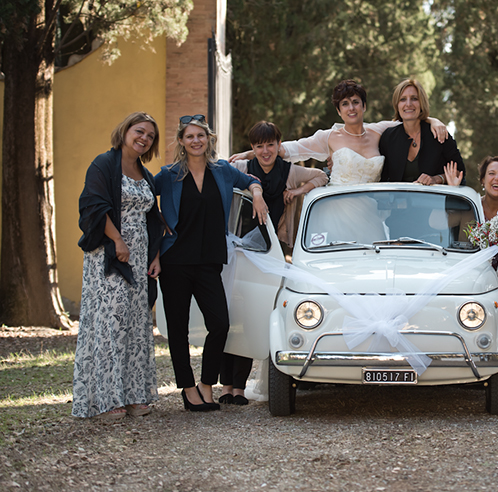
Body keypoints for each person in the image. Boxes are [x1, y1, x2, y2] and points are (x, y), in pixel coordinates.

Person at [155, 114, 268, 412]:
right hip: (175, 261)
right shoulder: (168, 175)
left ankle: (207, 383)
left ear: (209, 139)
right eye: (190, 136)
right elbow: (142, 198)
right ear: (181, 141)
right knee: (178, 329)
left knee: (220, 324)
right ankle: (188, 389)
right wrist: (158, 222)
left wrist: (256, 194)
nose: (196, 141)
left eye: (201, 136)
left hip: (210, 262)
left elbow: (251, 181)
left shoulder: (223, 171)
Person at [224, 120, 328, 405]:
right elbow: (219, 170)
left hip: (273, 254)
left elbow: (322, 176)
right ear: (253, 147)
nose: (265, 150)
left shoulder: (290, 171)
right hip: (243, 251)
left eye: (270, 144)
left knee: (259, 314)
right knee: (236, 313)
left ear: (279, 145)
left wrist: (297, 191)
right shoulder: (244, 169)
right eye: (259, 146)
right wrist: (245, 157)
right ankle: (227, 386)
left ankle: (241, 385)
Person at [74, 112, 164, 420]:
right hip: (110, 255)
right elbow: (94, 205)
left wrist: (154, 256)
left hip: (139, 259)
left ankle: (134, 395)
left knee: (135, 326)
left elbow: (154, 218)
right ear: (125, 131)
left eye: (150, 136)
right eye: (140, 131)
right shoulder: (103, 164)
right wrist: (117, 241)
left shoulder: (144, 172)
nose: (144, 138)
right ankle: (105, 400)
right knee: (110, 324)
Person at [228, 79, 448, 186]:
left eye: (355, 102)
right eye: (345, 104)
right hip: (337, 208)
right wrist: (250, 154)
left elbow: (408, 118)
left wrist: (434, 120)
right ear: (338, 110)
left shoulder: (379, 131)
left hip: (374, 210)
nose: (351, 108)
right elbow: (291, 149)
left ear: (364, 106)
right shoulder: (329, 137)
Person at [379, 78, 466, 185]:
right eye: (402, 99)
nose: (408, 104)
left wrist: (436, 179)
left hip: (434, 200)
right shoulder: (388, 137)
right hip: (398, 201)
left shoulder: (439, 133)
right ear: (397, 105)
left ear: (422, 103)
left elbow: (459, 172)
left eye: (414, 98)